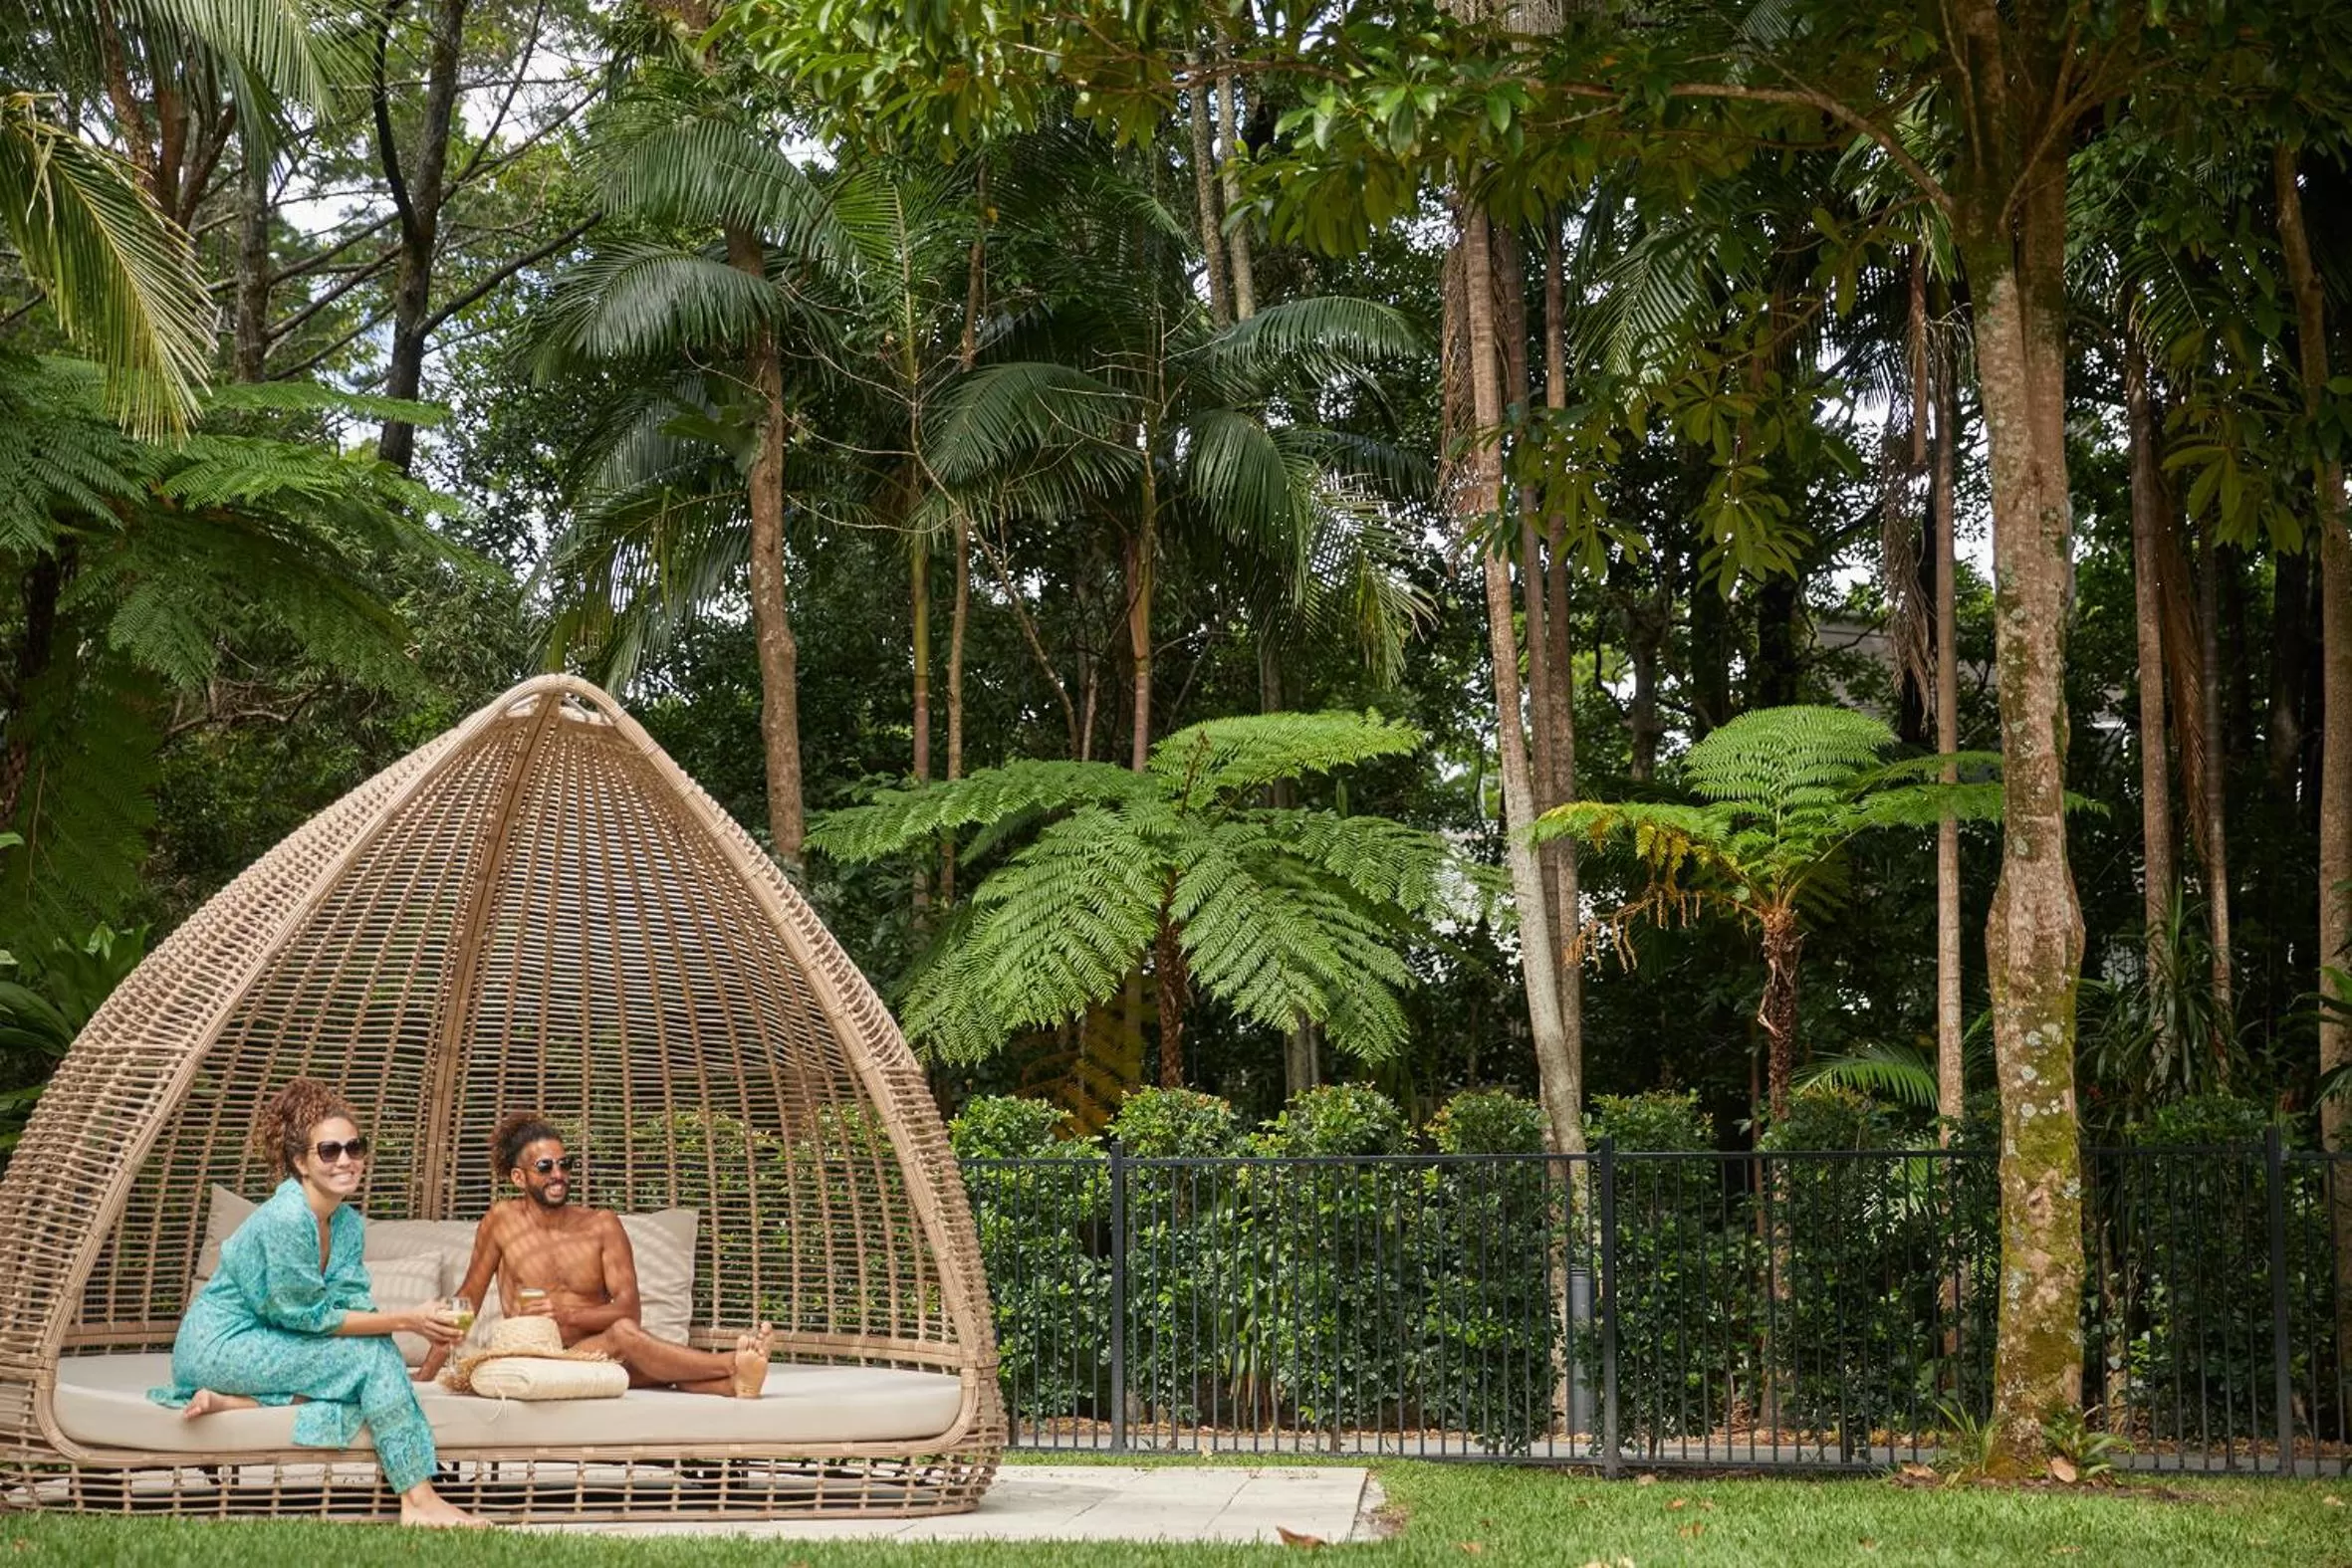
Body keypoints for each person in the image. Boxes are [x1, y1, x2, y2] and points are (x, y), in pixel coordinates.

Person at [150, 1078, 484, 1528]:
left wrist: (408, 1325)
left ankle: (238, 1403)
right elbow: (307, 1317)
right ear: (300, 1163)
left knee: (374, 1355)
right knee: (370, 1359)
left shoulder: (345, 1223)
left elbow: (353, 1305)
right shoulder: (288, 1217)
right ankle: (419, 1501)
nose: (346, 1160)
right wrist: (409, 1319)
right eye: (329, 1151)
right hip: (218, 1345)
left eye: (354, 1147)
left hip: (268, 1341)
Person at [419, 1112, 773, 1396]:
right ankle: (730, 1366)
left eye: (564, 1164)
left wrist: (566, 1313)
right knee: (630, 1345)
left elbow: (629, 1309)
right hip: (535, 1354)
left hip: (600, 1349)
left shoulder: (602, 1225)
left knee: (622, 1332)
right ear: (518, 1177)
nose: (558, 1175)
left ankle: (732, 1384)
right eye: (545, 1167)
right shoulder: (502, 1221)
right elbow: (469, 1298)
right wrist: (425, 1375)